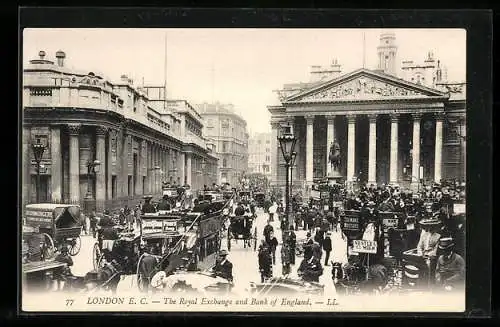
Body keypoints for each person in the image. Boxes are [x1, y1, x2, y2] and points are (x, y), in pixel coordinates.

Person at [417, 217, 442, 286]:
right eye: (428, 226)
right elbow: (419, 246)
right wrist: (420, 253)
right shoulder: (424, 235)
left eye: (431, 226)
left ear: (434, 226)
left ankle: (429, 285)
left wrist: (430, 255)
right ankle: (420, 284)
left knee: (429, 265)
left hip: (431, 257)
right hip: (422, 255)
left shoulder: (438, 236)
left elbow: (436, 249)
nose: (430, 227)